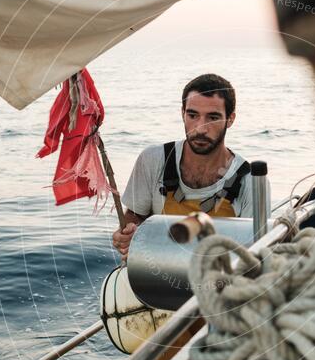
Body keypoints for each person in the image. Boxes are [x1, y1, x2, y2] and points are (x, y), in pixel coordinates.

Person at [113, 73, 269, 260]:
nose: (200, 128)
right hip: (155, 272)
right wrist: (128, 233)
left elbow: (254, 255)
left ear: (231, 119)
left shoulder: (250, 181)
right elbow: (134, 215)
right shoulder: (153, 160)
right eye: (192, 115)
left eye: (213, 117)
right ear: (182, 113)